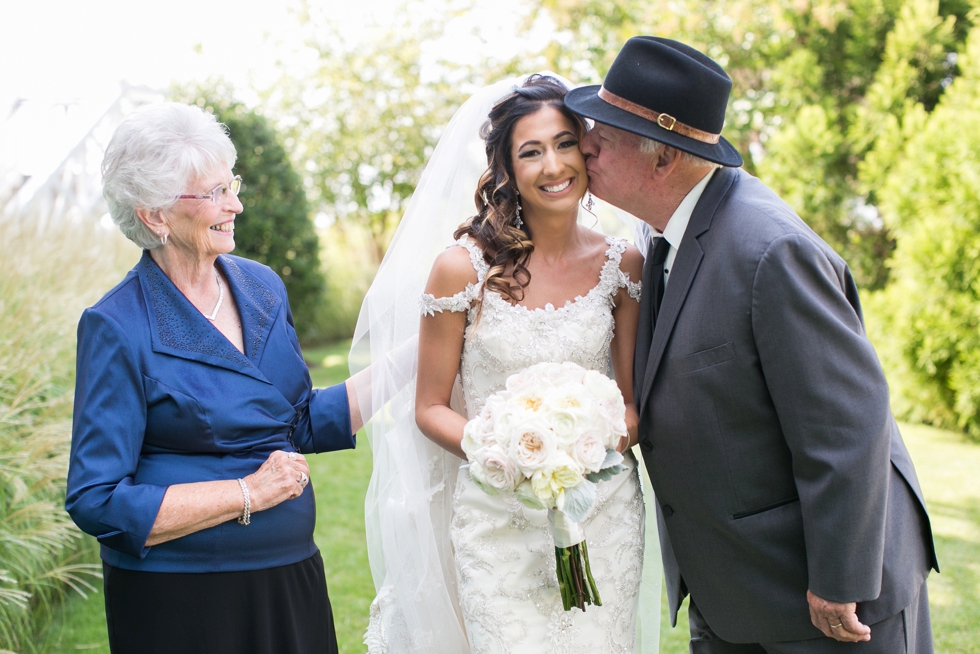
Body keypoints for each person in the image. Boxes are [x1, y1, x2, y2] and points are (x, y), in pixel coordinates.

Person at [564, 36, 939, 653]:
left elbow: (848, 424)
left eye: (602, 134)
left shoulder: (771, 250)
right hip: (736, 589)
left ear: (661, 159)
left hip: (824, 601)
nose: (585, 146)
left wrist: (838, 581)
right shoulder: (662, 237)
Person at [355, 75, 661, 653]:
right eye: (531, 151)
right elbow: (429, 408)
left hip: (602, 510)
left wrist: (587, 452)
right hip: (497, 512)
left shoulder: (625, 264)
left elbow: (632, 403)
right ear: (506, 169)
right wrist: (506, 451)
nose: (554, 165)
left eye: (566, 143)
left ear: (587, 151)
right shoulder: (461, 269)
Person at [66, 102, 365, 654]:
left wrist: (414, 358)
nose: (237, 204)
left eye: (232, 185)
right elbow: (96, 498)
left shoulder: (262, 287)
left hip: (290, 576)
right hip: (182, 603)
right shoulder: (116, 325)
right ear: (155, 215)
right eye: (214, 194)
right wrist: (247, 493)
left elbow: (295, 423)